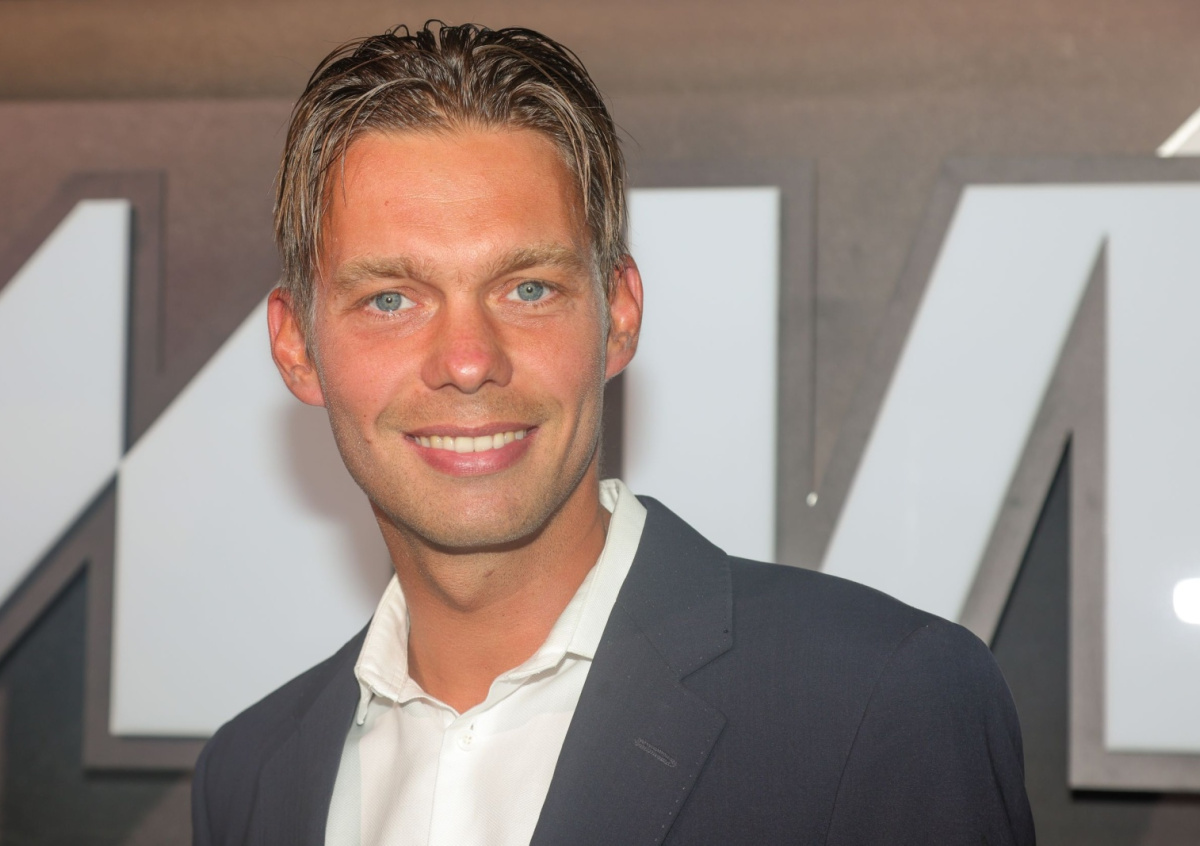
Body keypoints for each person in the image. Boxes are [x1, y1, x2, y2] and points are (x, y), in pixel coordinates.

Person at [191, 22, 1035, 846]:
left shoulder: (879, 702)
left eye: (528, 289)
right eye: (390, 300)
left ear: (619, 314)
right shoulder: (250, 777)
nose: (469, 361)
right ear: (296, 347)